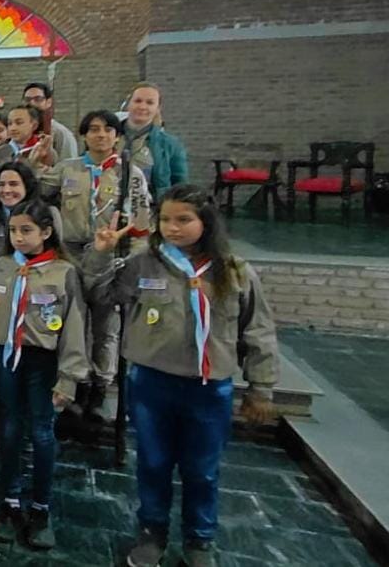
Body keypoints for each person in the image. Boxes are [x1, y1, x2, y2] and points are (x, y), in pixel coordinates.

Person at [86, 184, 277, 567]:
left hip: (209, 389)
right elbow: (100, 296)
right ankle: (151, 531)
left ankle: (199, 538)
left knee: (202, 469)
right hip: (152, 383)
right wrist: (101, 255)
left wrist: (261, 387)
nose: (173, 228)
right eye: (166, 220)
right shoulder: (145, 263)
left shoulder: (236, 271)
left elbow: (258, 331)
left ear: (206, 222)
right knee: (153, 462)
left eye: (183, 220)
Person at [0, 200, 89, 550]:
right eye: (14, 230)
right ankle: (10, 501)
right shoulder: (3, 267)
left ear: (46, 232)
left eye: (26, 230)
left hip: (42, 360)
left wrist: (70, 377)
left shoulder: (63, 272)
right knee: (10, 427)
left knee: (43, 432)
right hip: (5, 357)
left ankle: (41, 507)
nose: (18, 237)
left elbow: (74, 327)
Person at [38, 110, 152, 417]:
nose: (100, 135)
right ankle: (77, 381)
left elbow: (143, 222)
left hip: (111, 259)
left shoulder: (130, 173)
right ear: (84, 135)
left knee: (105, 326)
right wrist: (35, 161)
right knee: (74, 322)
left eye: (107, 130)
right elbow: (36, 191)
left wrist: (130, 260)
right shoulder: (68, 169)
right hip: (74, 255)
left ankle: (101, 384)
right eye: (93, 130)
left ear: (116, 135)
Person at [0, 163, 43, 285]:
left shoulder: (46, 213)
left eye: (13, 184)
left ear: (27, 187)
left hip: (38, 283)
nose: (6, 190)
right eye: (1, 185)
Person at [124, 83, 189, 199]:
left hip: (153, 210)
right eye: (138, 101)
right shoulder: (107, 135)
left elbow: (180, 186)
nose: (142, 106)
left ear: (158, 108)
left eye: (150, 103)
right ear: (128, 103)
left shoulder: (172, 145)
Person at [23, 83, 78, 161]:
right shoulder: (18, 132)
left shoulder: (60, 133)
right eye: (27, 100)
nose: (32, 103)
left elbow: (69, 166)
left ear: (48, 102)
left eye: (38, 99)